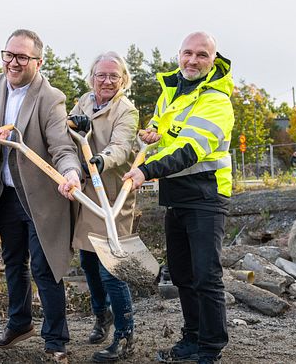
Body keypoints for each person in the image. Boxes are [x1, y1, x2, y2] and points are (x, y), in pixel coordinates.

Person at [0, 29, 81, 363]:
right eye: (8, 55)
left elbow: (61, 146)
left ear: (38, 62)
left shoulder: (49, 97)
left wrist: (71, 172)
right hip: (7, 194)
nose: (13, 63)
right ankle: (19, 323)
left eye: (22, 57)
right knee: (13, 262)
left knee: (45, 268)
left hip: (42, 199)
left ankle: (56, 340)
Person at [122, 32, 234, 364]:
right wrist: (149, 137)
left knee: (206, 274)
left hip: (206, 195)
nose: (193, 60)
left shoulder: (216, 99)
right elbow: (161, 135)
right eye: (188, 53)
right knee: (183, 274)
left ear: (213, 60)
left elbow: (190, 149)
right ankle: (193, 338)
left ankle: (211, 347)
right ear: (179, 55)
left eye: (202, 55)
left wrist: (147, 171)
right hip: (177, 197)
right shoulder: (170, 94)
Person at [67, 51, 139, 362]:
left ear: (123, 80)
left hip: (111, 196)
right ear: (92, 77)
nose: (106, 81)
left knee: (112, 268)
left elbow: (122, 146)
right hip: (85, 194)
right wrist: (73, 121)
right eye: (101, 75)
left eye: (113, 76)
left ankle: (125, 335)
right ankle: (102, 316)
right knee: (87, 261)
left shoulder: (126, 110)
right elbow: (66, 127)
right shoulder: (84, 100)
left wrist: (101, 159)